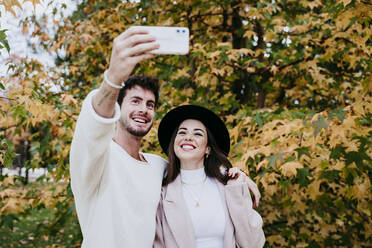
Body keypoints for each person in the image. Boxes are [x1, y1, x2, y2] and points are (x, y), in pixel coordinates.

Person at [70, 27, 261, 248]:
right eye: (135, 101)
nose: (143, 109)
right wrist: (113, 79)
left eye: (150, 104)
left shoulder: (157, 166)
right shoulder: (98, 159)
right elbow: (92, 129)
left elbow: (197, 171)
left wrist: (238, 178)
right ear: (118, 107)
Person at [154, 105, 265, 248]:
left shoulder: (228, 186)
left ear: (208, 149)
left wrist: (239, 188)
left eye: (198, 134)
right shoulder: (161, 192)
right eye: (182, 132)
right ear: (174, 143)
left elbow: (253, 244)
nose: (188, 137)